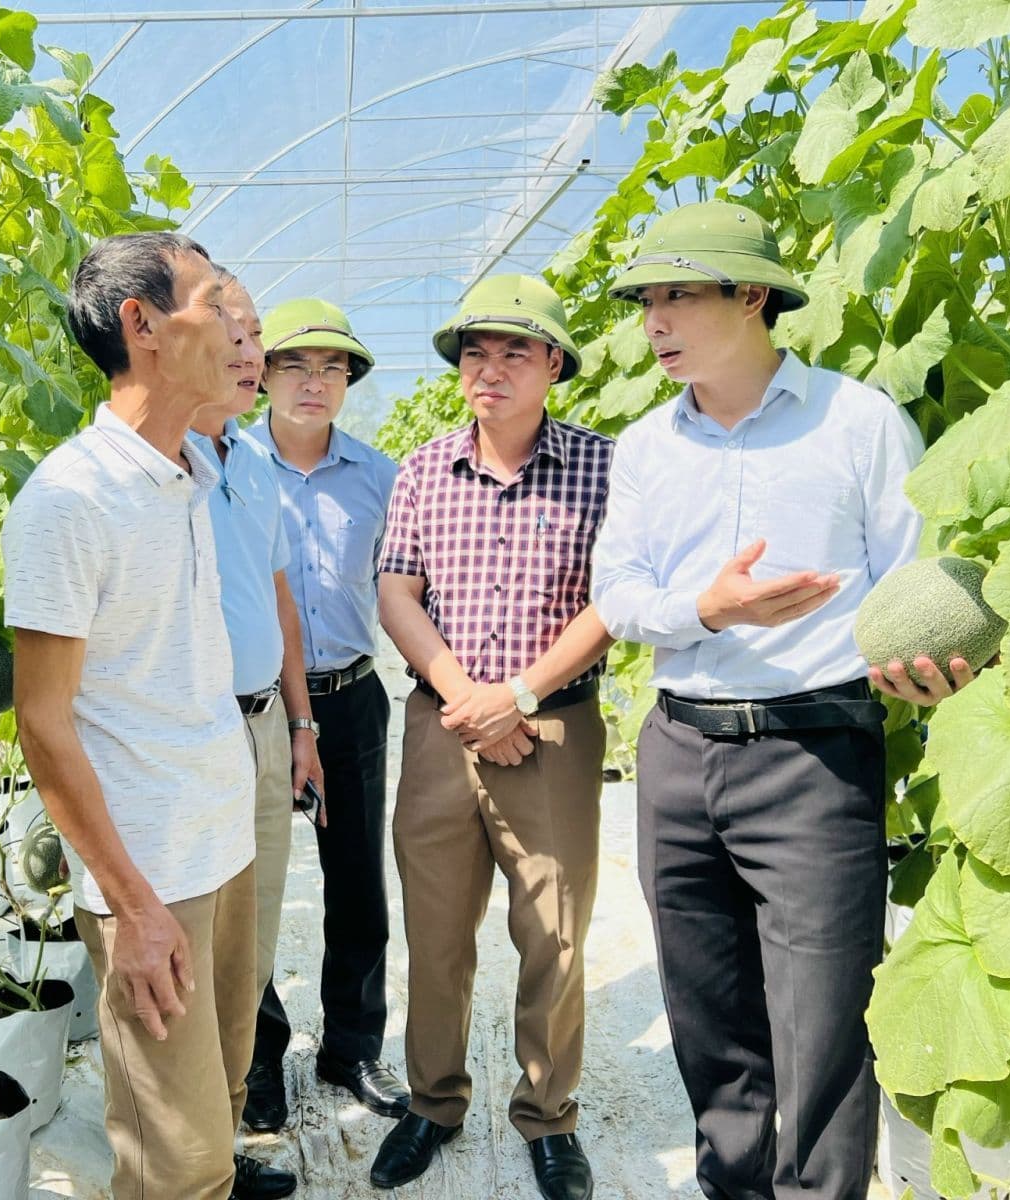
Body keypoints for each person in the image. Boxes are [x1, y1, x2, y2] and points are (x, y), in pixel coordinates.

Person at [590, 201, 970, 1200]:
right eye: (645, 301)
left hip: (815, 752)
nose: (654, 322)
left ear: (751, 296)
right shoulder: (642, 448)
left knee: (821, 1041)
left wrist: (922, 664)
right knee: (711, 1030)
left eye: (678, 296)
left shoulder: (856, 423)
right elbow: (618, 594)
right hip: (677, 753)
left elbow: (911, 579)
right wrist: (703, 608)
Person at [4, 233, 293, 1200]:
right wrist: (131, 907)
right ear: (143, 326)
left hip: (223, 843)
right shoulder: (70, 499)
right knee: (180, 1162)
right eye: (214, 303)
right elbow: (43, 724)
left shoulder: (191, 475)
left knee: (226, 1084)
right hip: (153, 878)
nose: (239, 328)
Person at [373, 274, 614, 1200]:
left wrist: (518, 695)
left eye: (517, 350)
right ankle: (432, 1103)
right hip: (441, 724)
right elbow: (399, 592)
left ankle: (549, 1115)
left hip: (553, 728)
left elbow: (610, 602)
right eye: (477, 350)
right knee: (435, 933)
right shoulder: (426, 467)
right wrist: (468, 697)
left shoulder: (600, 466)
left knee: (552, 931)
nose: (492, 368)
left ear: (554, 363)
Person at [240, 298, 407, 1130]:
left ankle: (351, 1046)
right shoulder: (229, 468)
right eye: (296, 365)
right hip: (259, 711)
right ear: (263, 373)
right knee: (251, 886)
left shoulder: (382, 479)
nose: (315, 383)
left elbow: (416, 591)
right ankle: (259, 1059)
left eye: (333, 367)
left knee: (355, 883)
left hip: (350, 699)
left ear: (349, 382)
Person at [187, 272, 327, 1154]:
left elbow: (280, 604)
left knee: (251, 945)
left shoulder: (251, 468)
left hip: (266, 723)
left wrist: (302, 725)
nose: (251, 351)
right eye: (231, 331)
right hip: (194, 734)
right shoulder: (164, 467)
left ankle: (229, 1134)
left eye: (255, 335)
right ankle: (195, 1146)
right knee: (188, 954)